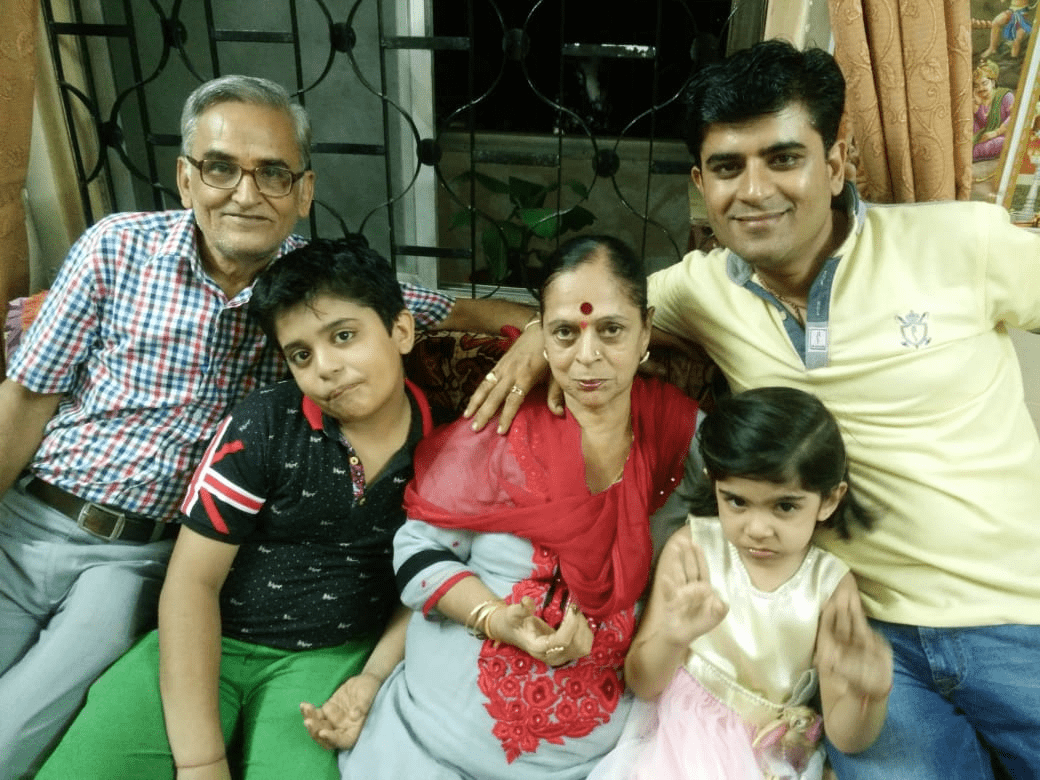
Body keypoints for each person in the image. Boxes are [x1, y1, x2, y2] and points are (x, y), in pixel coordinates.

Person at [467, 39, 1040, 779]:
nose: (756, 190)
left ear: (837, 162)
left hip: (1020, 610)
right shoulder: (703, 290)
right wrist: (533, 339)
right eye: (728, 167)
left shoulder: (961, 243)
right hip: (858, 633)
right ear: (701, 184)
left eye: (784, 158)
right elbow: (598, 311)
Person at [0, 74, 530, 778]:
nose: (245, 194)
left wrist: (541, 336)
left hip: (140, 563)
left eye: (273, 173)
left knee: (12, 734)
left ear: (303, 191)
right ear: (186, 179)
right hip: (29, 516)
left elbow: (461, 313)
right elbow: (24, 399)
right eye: (220, 168)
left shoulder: (311, 293)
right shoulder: (114, 249)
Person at [35, 237, 431, 779]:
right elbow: (191, 582)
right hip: (203, 642)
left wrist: (372, 678)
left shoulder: (446, 450)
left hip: (327, 656)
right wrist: (201, 761)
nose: (326, 368)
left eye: (344, 336)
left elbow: (428, 580)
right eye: (301, 354)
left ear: (401, 330)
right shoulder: (265, 424)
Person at [338, 235, 699, 780]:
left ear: (646, 330)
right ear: (542, 334)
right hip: (428, 743)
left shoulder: (681, 439)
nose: (588, 356)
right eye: (565, 332)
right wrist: (494, 618)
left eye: (612, 330)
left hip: (590, 764)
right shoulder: (500, 425)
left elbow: (768, 499)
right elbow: (416, 552)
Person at [589, 386, 891, 780]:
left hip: (773, 758)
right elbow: (643, 684)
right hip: (684, 741)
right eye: (736, 501)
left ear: (830, 500)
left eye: (785, 506)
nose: (758, 528)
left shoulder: (831, 585)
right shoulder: (692, 549)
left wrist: (869, 695)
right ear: (713, 483)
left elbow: (846, 738)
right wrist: (673, 637)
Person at [972, 60, 1013, 162]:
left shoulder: (1005, 96)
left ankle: (972, 153)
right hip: (982, 140)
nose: (981, 88)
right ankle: (972, 152)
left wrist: (995, 133)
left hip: (1001, 137)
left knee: (1003, 142)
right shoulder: (978, 101)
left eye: (984, 83)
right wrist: (976, 107)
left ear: (993, 82)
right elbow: (976, 130)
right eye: (977, 85)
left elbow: (1014, 117)